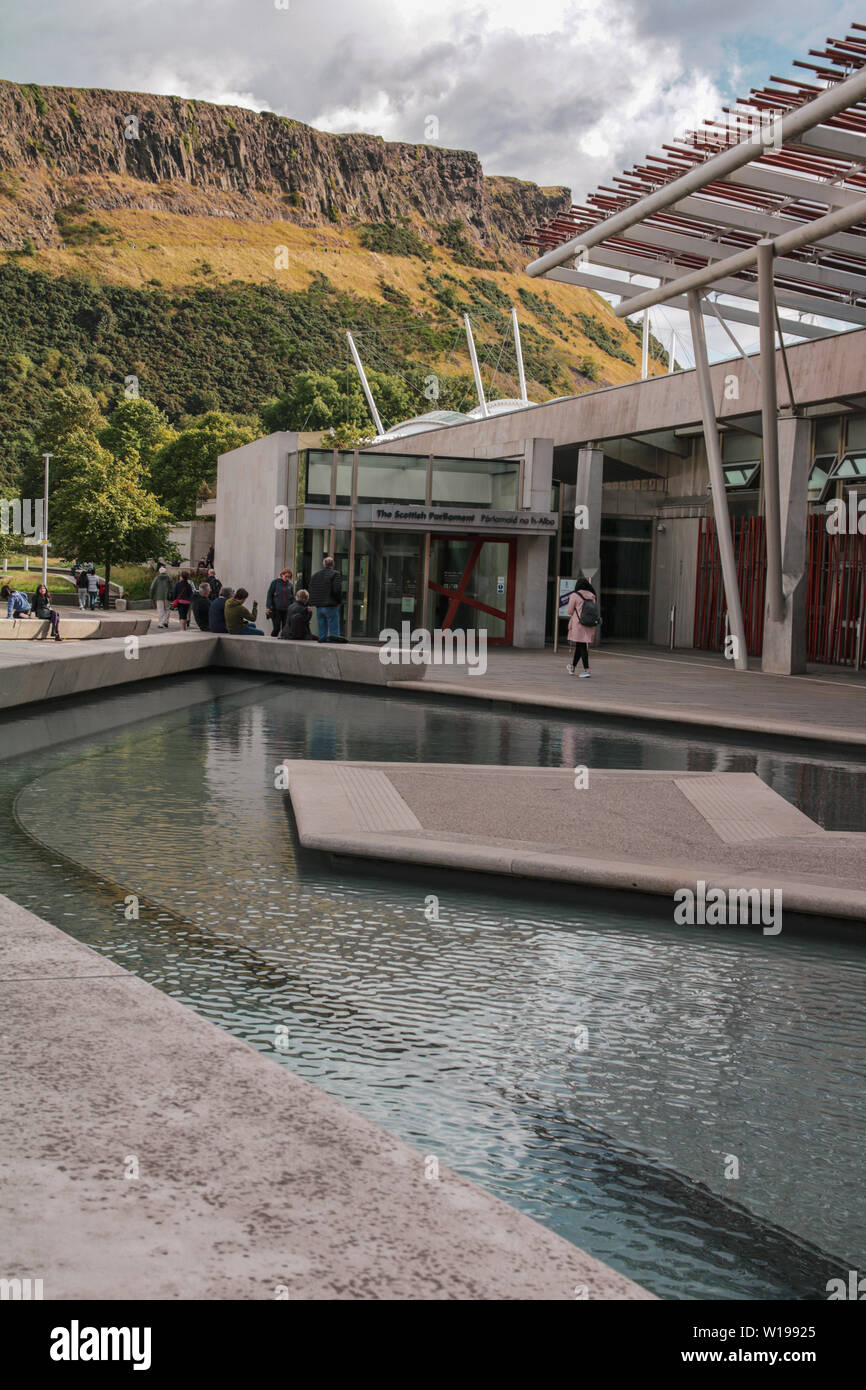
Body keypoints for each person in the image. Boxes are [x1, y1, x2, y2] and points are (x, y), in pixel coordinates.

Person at [566, 575, 599, 678]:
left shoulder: (575, 595)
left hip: (578, 624)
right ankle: (572, 667)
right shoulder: (593, 596)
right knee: (580, 646)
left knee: (582, 646)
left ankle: (587, 670)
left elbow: (569, 611)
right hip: (589, 624)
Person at [308, 556, 342, 642]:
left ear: (323, 565)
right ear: (333, 565)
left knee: (322, 632)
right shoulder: (335, 574)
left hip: (319, 607)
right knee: (334, 631)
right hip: (331, 606)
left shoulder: (315, 575)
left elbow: (311, 589)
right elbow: (337, 590)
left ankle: (321, 647)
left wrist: (312, 603)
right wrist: (338, 602)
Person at [265, 567, 294, 637]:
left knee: (285, 629)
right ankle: (271, 642)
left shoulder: (290, 585)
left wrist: (293, 608)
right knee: (276, 628)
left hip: (286, 610)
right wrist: (268, 607)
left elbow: (292, 598)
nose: (287, 578)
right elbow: (269, 595)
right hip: (276, 609)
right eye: (286, 576)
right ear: (282, 575)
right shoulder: (275, 583)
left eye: (289, 577)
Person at [150, 565, 174, 629]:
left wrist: (151, 596)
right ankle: (165, 621)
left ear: (159, 572)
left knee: (160, 610)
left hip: (159, 596)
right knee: (167, 609)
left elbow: (152, 588)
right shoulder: (169, 578)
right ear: (165, 572)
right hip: (167, 597)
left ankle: (160, 623)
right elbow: (172, 588)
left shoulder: (156, 578)